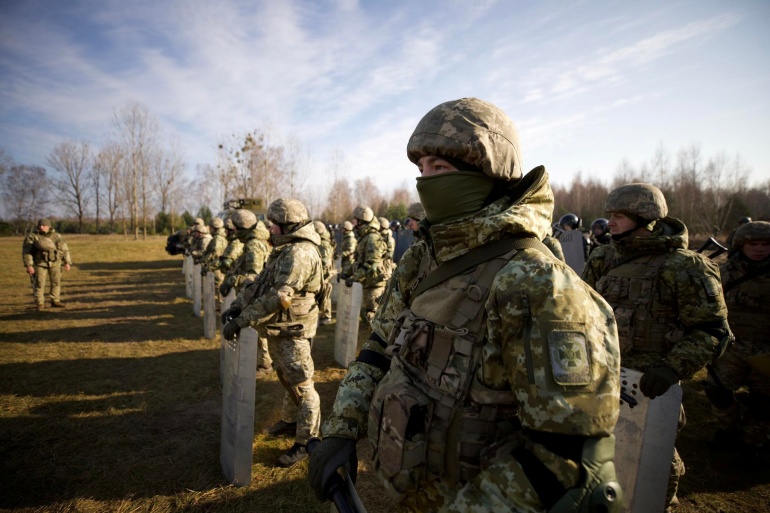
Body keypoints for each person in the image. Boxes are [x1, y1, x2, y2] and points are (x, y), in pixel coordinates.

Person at [309, 98, 622, 513]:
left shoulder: (538, 285)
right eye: (420, 169)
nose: (425, 181)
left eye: (439, 168)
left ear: (489, 172)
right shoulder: (422, 260)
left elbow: (567, 466)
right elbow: (380, 346)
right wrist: (342, 428)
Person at [581, 183, 732, 510]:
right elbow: (582, 312)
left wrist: (671, 367)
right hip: (602, 376)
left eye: (619, 215)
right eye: (610, 215)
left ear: (646, 218)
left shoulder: (684, 267)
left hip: (651, 385)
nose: (611, 222)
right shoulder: (602, 257)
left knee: (652, 458)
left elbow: (712, 330)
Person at [221, 198, 324, 468]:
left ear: (287, 225)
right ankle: (291, 422)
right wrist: (237, 306)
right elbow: (261, 284)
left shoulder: (299, 253)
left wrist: (243, 320)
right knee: (287, 378)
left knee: (302, 384)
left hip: (294, 330)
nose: (268, 226)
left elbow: (278, 297)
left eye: (273, 222)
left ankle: (307, 440)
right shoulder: (285, 248)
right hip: (281, 328)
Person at [705, 221, 770, 461]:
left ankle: (755, 441)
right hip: (730, 346)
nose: (760, 249)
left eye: (765, 244)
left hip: (766, 350)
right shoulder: (724, 272)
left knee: (763, 402)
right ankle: (728, 428)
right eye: (754, 243)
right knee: (716, 390)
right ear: (741, 245)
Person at [220, 209, 273, 375]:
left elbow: (254, 276)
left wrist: (232, 280)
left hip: (255, 294)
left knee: (256, 328)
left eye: (235, 228)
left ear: (243, 228)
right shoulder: (255, 241)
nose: (234, 232)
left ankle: (264, 364)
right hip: (254, 293)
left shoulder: (254, 245)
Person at [346, 206, 388, 322]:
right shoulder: (365, 237)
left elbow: (372, 264)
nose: (353, 222)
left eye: (355, 220)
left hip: (374, 283)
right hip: (368, 282)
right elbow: (359, 261)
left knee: (372, 313)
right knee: (367, 313)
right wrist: (346, 273)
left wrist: (354, 278)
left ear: (361, 220)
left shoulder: (372, 238)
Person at [22, 218, 72, 311]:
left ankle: (55, 301)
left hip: (56, 263)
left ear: (49, 226)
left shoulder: (57, 236)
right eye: (40, 225)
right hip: (40, 263)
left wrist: (67, 262)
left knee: (56, 282)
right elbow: (26, 252)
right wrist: (29, 265)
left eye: (43, 225)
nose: (41, 227)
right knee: (39, 284)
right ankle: (40, 303)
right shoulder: (32, 237)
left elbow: (64, 249)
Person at [201, 217, 228, 305]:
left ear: (214, 227)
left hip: (217, 266)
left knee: (218, 286)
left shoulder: (217, 239)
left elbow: (214, 253)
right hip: (220, 265)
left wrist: (205, 260)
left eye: (210, 228)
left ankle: (221, 305)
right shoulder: (222, 237)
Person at [314, 220, 334, 325]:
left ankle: (326, 316)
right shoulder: (321, 241)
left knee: (325, 295)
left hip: (324, 274)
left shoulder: (323, 243)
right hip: (322, 273)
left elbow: (325, 261)